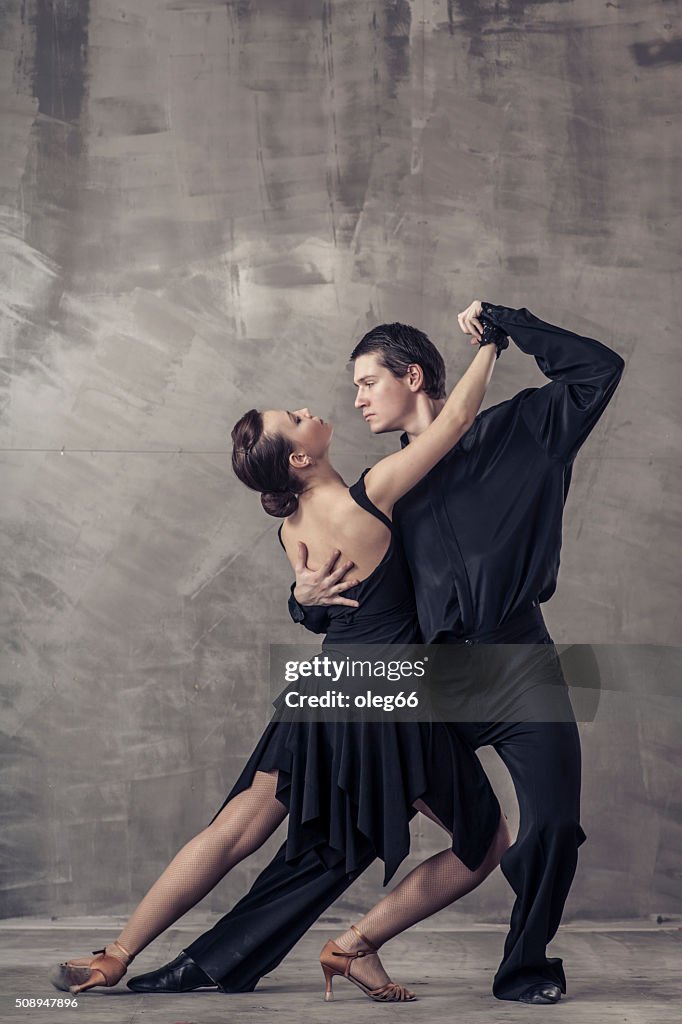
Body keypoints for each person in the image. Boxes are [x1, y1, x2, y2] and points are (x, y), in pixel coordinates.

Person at [127, 298, 624, 1006]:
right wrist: (303, 598)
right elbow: (352, 596)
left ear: (412, 375)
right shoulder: (392, 489)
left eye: (367, 381)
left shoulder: (527, 431)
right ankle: (217, 961)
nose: (355, 397)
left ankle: (525, 969)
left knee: (552, 824)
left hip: (519, 665)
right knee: (341, 835)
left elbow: (602, 370)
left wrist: (511, 324)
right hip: (428, 682)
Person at [51, 310, 511, 1002]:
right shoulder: (373, 493)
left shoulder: (292, 532)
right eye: (295, 418)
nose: (310, 409)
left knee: (236, 825)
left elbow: (318, 609)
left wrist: (300, 599)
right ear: (299, 458)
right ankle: (358, 944)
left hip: (323, 687)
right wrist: (494, 344)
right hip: (384, 697)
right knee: (486, 840)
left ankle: (116, 953)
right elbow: (451, 426)